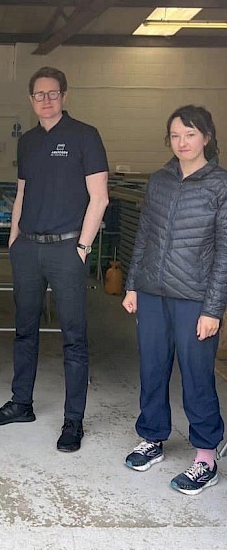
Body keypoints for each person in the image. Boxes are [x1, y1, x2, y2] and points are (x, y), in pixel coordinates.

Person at [0, 66, 109, 453]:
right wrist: (14, 239)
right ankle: (22, 403)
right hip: (28, 248)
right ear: (31, 99)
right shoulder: (29, 141)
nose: (47, 100)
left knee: (74, 337)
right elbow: (22, 192)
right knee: (25, 330)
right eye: (40, 94)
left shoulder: (85, 136)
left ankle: (73, 420)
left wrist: (82, 247)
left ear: (64, 96)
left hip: (67, 249)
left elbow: (99, 197)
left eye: (53, 93)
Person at [122, 105, 226, 495]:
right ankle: (152, 436)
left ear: (207, 137)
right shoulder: (159, 180)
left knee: (197, 375)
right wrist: (133, 284)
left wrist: (213, 308)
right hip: (152, 292)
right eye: (176, 135)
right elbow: (145, 235)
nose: (182, 142)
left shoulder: (220, 185)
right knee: (152, 368)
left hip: (194, 298)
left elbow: (225, 253)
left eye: (190, 134)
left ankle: (206, 456)